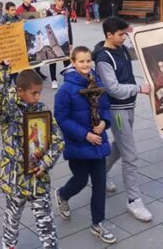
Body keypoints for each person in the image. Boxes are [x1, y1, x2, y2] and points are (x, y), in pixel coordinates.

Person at [0, 60, 64, 249]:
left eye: (40, 92)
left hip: (38, 178)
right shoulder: (9, 112)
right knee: (12, 217)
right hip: (15, 179)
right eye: (34, 93)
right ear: (20, 91)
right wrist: (3, 71)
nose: (38, 97)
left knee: (46, 222)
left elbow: (58, 140)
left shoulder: (42, 110)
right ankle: (9, 245)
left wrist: (45, 163)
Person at [92, 17, 153, 221]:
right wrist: (139, 88)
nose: (124, 37)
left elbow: (140, 52)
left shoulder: (122, 49)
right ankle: (134, 200)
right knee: (130, 155)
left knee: (119, 146)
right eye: (121, 34)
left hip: (129, 106)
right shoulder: (103, 58)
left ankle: (100, 173)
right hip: (117, 110)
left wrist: (139, 35)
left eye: (125, 34)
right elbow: (113, 89)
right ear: (109, 35)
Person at [54, 47, 115, 244]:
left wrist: (104, 122)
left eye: (88, 60)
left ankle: (98, 224)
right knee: (80, 180)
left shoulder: (97, 82)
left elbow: (105, 107)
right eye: (81, 61)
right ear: (73, 63)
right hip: (78, 145)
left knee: (99, 184)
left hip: (98, 144)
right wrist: (85, 135)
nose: (86, 64)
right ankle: (62, 194)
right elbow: (61, 118)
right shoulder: (66, 90)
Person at [46, 0, 73, 90]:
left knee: (66, 60)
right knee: (53, 60)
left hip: (64, 37)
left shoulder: (66, 11)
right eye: (59, 0)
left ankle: (68, 79)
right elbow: (46, 23)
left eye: (62, 0)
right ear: (55, 1)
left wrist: (71, 41)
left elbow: (69, 26)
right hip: (53, 38)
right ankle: (54, 80)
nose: (61, 2)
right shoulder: (49, 11)